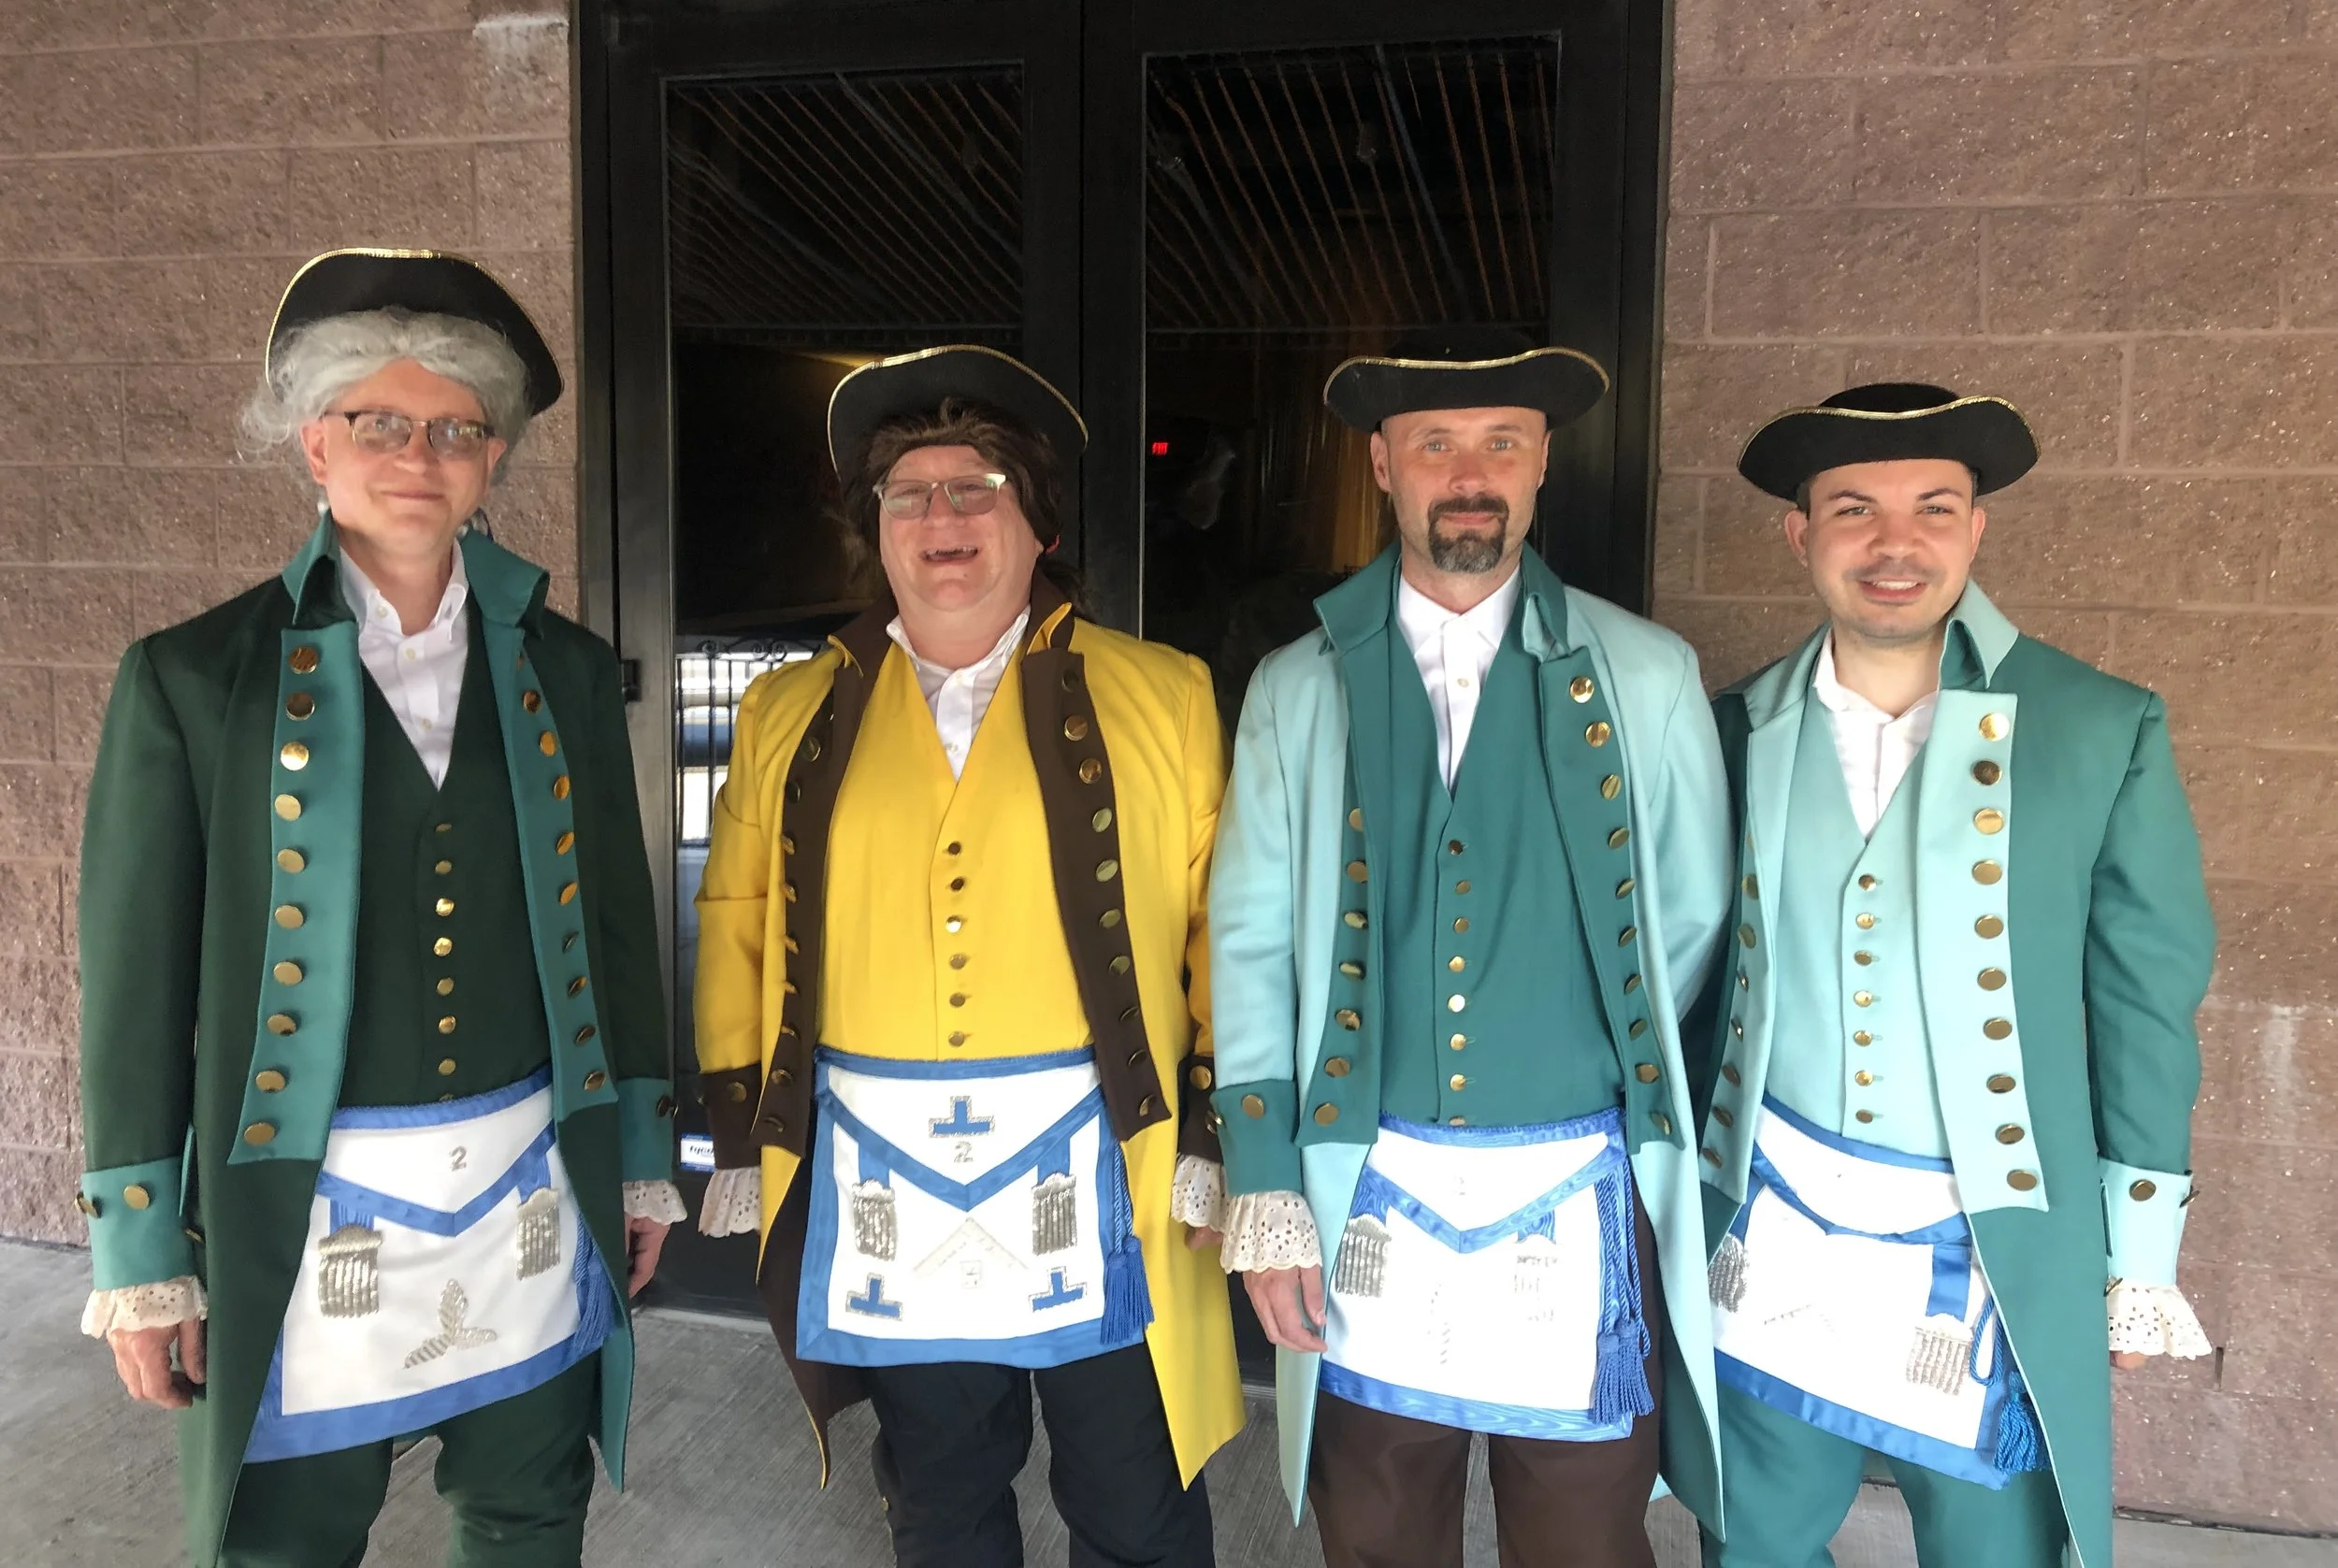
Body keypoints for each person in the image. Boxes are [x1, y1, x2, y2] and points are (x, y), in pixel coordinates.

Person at [75, 249, 684, 1568]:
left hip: (528, 1184)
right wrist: (141, 1245)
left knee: (528, 1516)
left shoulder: (567, 669)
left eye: (457, 428)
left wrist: (640, 1148)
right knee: (285, 1540)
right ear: (314, 442)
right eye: (380, 421)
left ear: (491, 460)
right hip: (304, 1206)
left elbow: (620, 935)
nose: (420, 452)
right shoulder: (190, 679)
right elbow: (131, 988)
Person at [690, 345, 1241, 1568]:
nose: (944, 517)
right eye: (910, 494)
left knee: (1137, 1506)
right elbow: (736, 917)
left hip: (1108, 1176)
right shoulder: (790, 710)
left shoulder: (1168, 693)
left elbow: (1224, 933)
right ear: (875, 530)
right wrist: (742, 1128)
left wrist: (1217, 1127)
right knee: (940, 1501)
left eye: (979, 485)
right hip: (888, 1184)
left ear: (1040, 523)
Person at [1204, 330, 1736, 1568]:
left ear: (1543, 464)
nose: (1471, 471)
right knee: (1377, 1529)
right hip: (1363, 1188)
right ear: (1384, 464)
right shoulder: (1297, 683)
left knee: (1585, 1536)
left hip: (1577, 1194)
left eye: (1503, 442)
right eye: (1437, 444)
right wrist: (1269, 1184)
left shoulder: (1649, 676)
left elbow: (1692, 921)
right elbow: (1248, 940)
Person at [1696, 382, 2216, 1568]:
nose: (1894, 544)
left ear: (1976, 529)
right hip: (1771, 1213)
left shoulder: (2101, 727)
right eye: (1852, 510)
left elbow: (2144, 1000)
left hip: (1982, 1237)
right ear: (1800, 535)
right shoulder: (1729, 731)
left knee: (1994, 1549)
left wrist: (2138, 1259)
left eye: (1934, 507)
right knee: (1756, 1540)